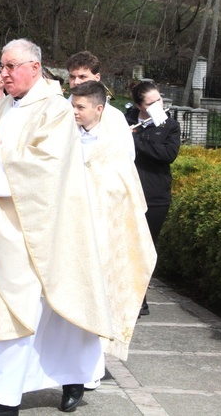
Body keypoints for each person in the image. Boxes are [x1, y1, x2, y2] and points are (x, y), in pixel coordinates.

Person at [0, 39, 112, 415]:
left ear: (35, 67)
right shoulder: (1, 107)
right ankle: (45, 382)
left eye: (11, 67)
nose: (4, 74)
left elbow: (49, 169)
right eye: (3, 67)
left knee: (30, 310)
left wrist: (1, 156)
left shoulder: (56, 110)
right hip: (1, 224)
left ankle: (8, 398)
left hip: (39, 227)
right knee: (21, 310)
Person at [70, 81, 156, 363]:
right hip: (71, 228)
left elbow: (122, 185)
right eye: (72, 105)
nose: (74, 112)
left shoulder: (114, 142)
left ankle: (91, 362)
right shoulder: (65, 134)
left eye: (80, 107)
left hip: (103, 229)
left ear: (98, 109)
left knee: (100, 295)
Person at [125, 80, 181, 316]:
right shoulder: (124, 121)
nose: (158, 104)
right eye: (151, 102)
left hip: (156, 195)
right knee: (128, 246)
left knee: (147, 247)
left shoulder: (170, 125)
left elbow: (168, 154)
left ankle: (140, 296)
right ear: (140, 105)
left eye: (159, 99)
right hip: (127, 193)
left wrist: (137, 140)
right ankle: (134, 298)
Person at [66, 51, 134, 161]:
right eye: (72, 77)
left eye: (82, 76)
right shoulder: (59, 111)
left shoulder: (115, 117)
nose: (76, 82)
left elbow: (128, 158)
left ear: (97, 77)